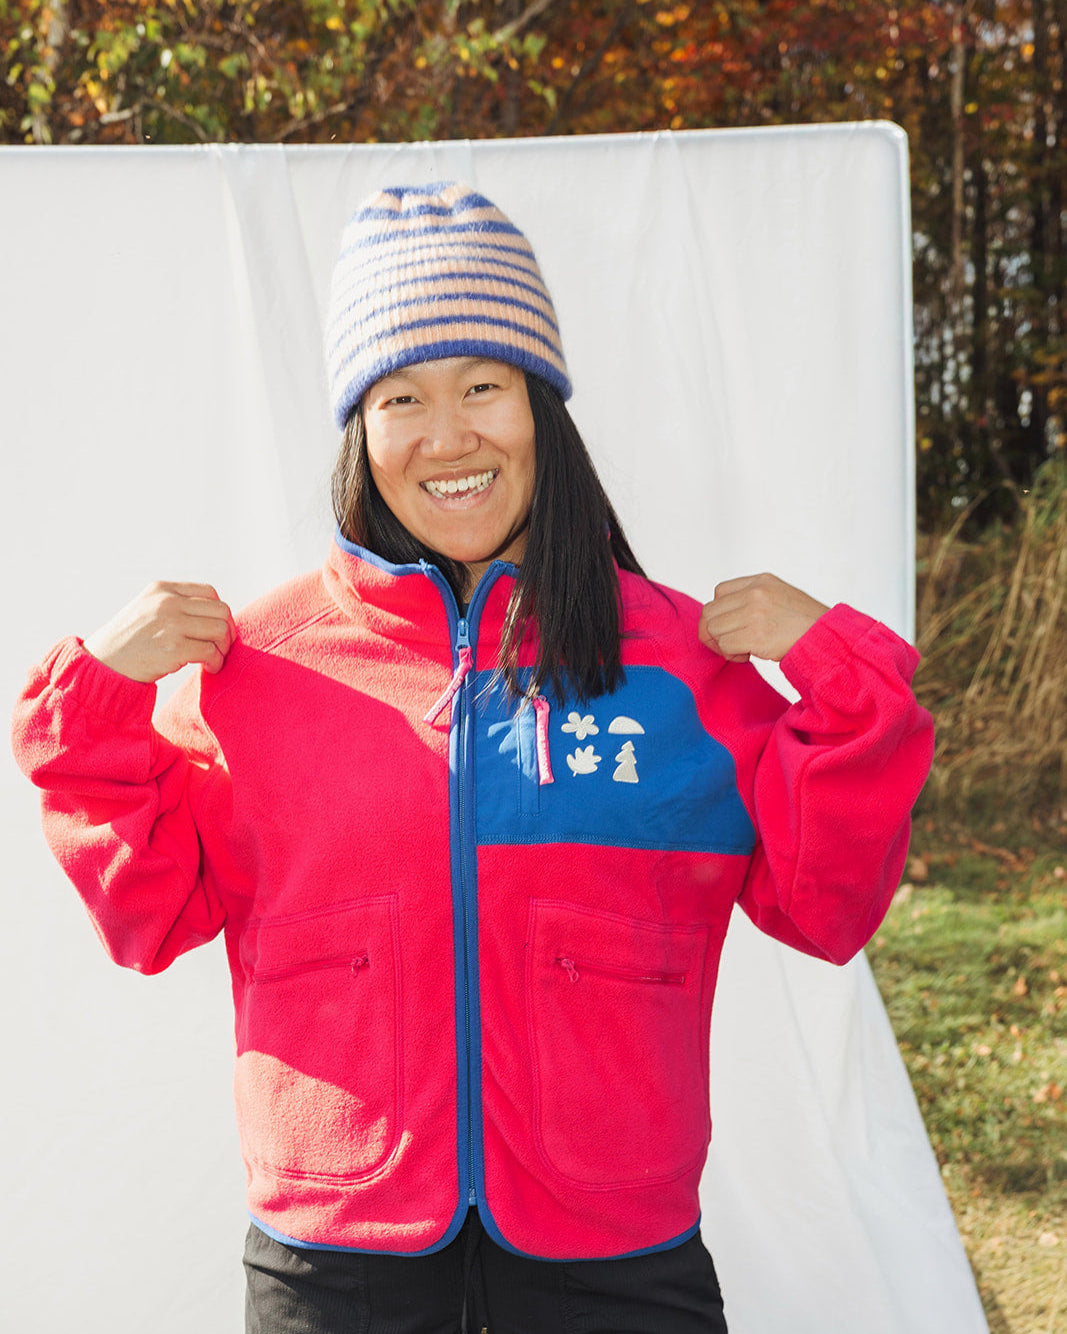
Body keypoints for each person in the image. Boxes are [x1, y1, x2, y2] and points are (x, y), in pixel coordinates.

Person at [11, 182, 934, 1334]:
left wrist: (838, 677)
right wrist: (96, 695)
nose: (447, 436)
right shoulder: (263, 665)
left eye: (483, 385)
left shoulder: (677, 664)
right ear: (361, 429)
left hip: (614, 1256)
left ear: (543, 407)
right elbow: (148, 913)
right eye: (401, 396)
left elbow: (824, 904)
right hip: (336, 1259)